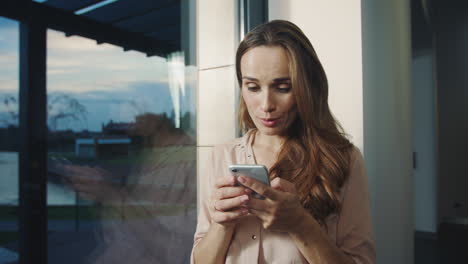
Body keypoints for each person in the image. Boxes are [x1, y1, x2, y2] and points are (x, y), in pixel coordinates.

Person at [191, 20, 375, 264]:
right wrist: (221, 225)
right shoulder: (221, 156)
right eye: (253, 87)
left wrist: (301, 224)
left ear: (306, 88)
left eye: (283, 87)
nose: (266, 105)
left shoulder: (344, 158)